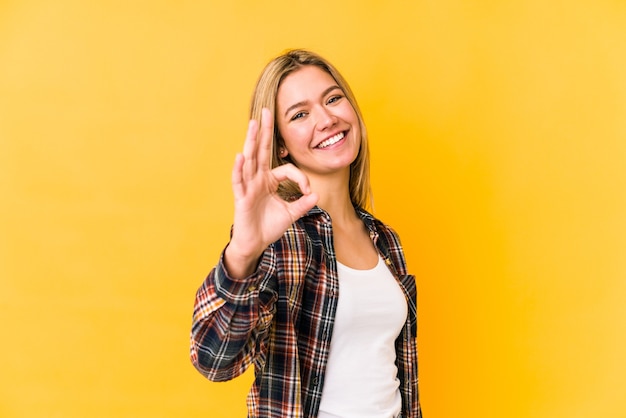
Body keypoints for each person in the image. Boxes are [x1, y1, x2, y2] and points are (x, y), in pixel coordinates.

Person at [190, 49, 423, 418]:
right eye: (300, 114)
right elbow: (214, 360)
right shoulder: (280, 239)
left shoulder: (385, 240)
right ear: (281, 144)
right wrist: (243, 251)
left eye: (333, 99)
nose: (328, 119)